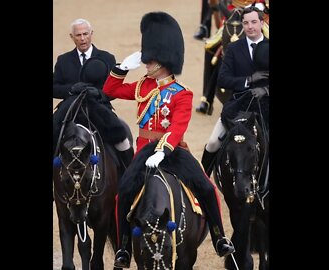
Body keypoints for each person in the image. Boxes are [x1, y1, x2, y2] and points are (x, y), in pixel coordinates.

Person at [102, 11, 235, 268]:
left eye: (149, 60)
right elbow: (110, 91)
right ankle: (125, 248)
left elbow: (177, 126)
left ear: (162, 62)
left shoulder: (182, 94)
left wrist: (163, 150)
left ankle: (219, 237)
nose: (145, 63)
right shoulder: (143, 86)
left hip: (172, 151)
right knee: (123, 193)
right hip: (143, 150)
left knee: (207, 188)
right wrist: (120, 69)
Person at [53, 18, 132, 166]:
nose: (82, 39)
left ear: (91, 34)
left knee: (120, 136)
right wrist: (71, 89)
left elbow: (114, 89)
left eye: (85, 34)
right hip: (70, 110)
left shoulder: (107, 58)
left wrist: (99, 93)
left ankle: (129, 172)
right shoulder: (63, 60)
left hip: (99, 107)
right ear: (72, 37)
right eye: (78, 35)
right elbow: (54, 87)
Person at [201, 6, 269, 177]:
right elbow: (223, 79)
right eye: (246, 23)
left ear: (262, 23)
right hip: (239, 105)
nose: (250, 27)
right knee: (212, 143)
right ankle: (201, 185)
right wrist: (249, 80)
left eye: (254, 22)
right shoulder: (233, 49)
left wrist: (265, 90)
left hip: (267, 105)